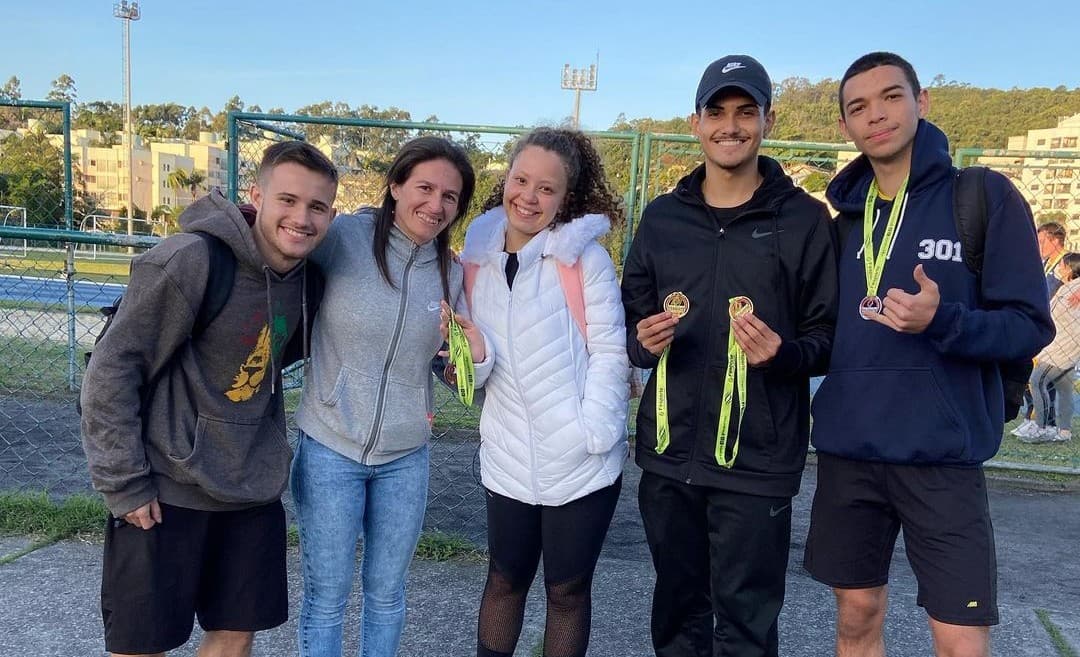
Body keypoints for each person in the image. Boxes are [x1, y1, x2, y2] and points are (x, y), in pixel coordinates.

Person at [804, 52, 1055, 657]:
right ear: (845, 127)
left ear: (923, 101)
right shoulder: (841, 223)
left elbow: (1028, 326)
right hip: (850, 454)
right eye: (858, 107)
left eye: (891, 97)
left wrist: (943, 320)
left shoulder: (983, 197)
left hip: (942, 458)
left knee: (961, 640)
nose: (876, 116)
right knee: (856, 618)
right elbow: (823, 336)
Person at [80, 141, 339, 657]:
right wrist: (124, 483)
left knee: (235, 634)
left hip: (250, 492)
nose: (301, 218)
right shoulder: (191, 261)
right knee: (142, 644)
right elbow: (112, 370)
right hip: (166, 490)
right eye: (287, 200)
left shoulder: (308, 283)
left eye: (317, 207)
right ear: (255, 195)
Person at [621, 55, 838, 657]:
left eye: (746, 112)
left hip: (756, 461)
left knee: (745, 625)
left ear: (768, 119)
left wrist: (784, 354)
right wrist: (644, 340)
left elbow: (827, 336)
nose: (731, 126)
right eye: (717, 112)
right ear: (696, 123)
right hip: (669, 457)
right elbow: (631, 318)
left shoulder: (803, 219)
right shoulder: (664, 218)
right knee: (677, 612)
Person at [291, 136, 490, 657]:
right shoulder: (344, 238)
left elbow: (453, 371)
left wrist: (473, 356)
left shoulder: (451, 271)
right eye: (424, 187)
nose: (436, 204)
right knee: (327, 597)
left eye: (450, 196)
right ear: (395, 186)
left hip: (406, 457)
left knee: (386, 596)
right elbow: (278, 239)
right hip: (330, 447)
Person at [453, 126, 629, 657]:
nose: (528, 196)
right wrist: (476, 358)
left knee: (567, 593)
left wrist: (591, 433)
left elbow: (610, 354)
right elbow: (468, 371)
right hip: (506, 458)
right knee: (504, 581)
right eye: (521, 179)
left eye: (546, 189)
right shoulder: (474, 258)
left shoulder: (586, 261)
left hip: (581, 464)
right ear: (504, 179)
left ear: (566, 198)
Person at [1021, 252, 1080, 444]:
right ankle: (1064, 431)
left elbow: (1051, 314)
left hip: (1060, 348)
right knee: (1064, 388)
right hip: (1069, 348)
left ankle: (1042, 426)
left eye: (1062, 265)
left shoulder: (1071, 290)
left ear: (1070, 268)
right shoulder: (1070, 288)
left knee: (1036, 381)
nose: (1058, 268)